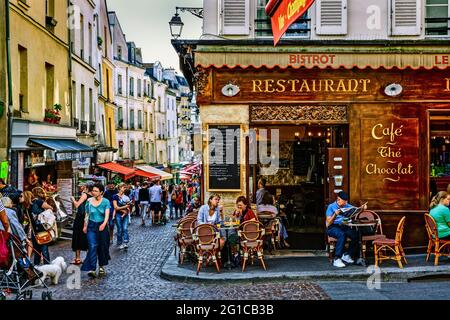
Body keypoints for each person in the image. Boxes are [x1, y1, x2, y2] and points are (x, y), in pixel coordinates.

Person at [81, 183, 110, 278]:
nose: (93, 192)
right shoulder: (89, 201)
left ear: (101, 192)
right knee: (92, 246)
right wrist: (85, 226)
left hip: (102, 225)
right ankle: (92, 269)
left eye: (96, 191)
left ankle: (101, 266)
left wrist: (104, 224)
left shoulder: (106, 201)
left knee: (102, 246)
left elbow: (107, 215)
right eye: (93, 190)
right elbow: (87, 214)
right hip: (91, 226)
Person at [325, 191, 359, 268]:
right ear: (338, 199)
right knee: (341, 234)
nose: (344, 204)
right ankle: (337, 259)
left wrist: (362, 209)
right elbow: (328, 224)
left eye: (345, 202)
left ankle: (346, 255)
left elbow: (355, 211)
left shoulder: (347, 205)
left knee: (356, 235)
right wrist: (335, 214)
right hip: (332, 227)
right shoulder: (331, 206)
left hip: (343, 226)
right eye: (343, 202)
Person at [30, 187, 53, 265]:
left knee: (37, 250)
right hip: (42, 228)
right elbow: (51, 208)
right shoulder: (39, 201)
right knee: (44, 250)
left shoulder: (30, 203)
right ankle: (47, 267)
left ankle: (36, 267)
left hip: (34, 229)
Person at [70, 183, 92, 265]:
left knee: (77, 237)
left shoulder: (85, 195)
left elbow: (76, 205)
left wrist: (72, 199)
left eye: (81, 187)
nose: (80, 188)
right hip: (87, 218)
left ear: (86, 188)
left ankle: (78, 258)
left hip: (80, 218)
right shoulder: (92, 196)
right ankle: (88, 258)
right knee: (86, 237)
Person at [113, 183, 131, 250]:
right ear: (120, 188)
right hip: (118, 215)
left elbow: (129, 205)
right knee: (119, 229)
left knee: (125, 228)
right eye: (124, 187)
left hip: (125, 215)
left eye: (125, 187)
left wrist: (127, 208)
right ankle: (120, 243)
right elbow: (116, 207)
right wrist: (124, 208)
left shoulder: (126, 197)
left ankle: (125, 242)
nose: (125, 189)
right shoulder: (115, 196)